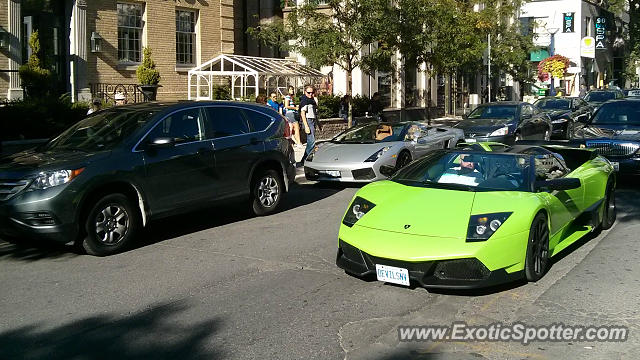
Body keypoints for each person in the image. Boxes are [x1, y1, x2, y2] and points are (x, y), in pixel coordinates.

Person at [300, 85, 319, 163]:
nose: (310, 94)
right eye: (308, 92)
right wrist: (306, 126)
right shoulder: (305, 101)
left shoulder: (312, 101)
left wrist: (318, 123)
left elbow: (315, 112)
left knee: (310, 142)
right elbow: (302, 114)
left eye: (312, 92)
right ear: (305, 92)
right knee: (311, 141)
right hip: (308, 121)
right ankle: (306, 159)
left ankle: (305, 159)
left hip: (312, 121)